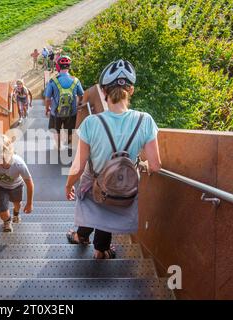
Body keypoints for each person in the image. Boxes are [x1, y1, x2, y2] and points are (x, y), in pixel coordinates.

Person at [65, 59, 162, 259]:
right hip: (124, 187)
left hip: (94, 184)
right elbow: (155, 165)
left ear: (103, 92)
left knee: (94, 198)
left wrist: (68, 185)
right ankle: (101, 250)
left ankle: (83, 238)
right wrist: (139, 164)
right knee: (110, 203)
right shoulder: (145, 121)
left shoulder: (91, 122)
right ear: (131, 90)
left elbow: (79, 164)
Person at [44, 55, 84, 150]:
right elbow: (81, 95)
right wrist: (78, 104)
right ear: (69, 66)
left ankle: (58, 146)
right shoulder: (76, 80)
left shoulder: (53, 81)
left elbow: (47, 98)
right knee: (70, 130)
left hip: (56, 112)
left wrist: (47, 109)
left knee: (56, 130)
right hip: (71, 112)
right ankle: (70, 145)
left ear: (58, 66)